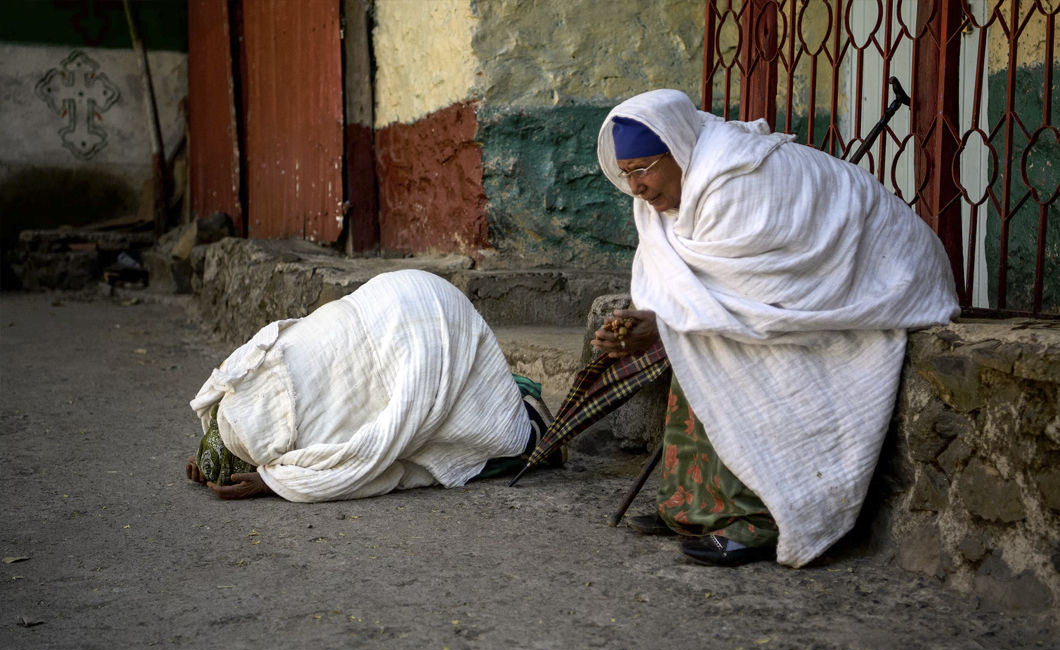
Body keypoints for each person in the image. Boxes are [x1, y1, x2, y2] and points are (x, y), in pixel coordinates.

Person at [591, 89, 959, 567]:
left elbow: (755, 298)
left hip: (884, 277)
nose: (635, 187)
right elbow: (691, 297)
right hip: (805, 288)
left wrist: (667, 324)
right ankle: (698, 506)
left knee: (723, 344)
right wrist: (653, 320)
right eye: (626, 174)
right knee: (696, 339)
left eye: (643, 169)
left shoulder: (739, 180)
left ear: (678, 148)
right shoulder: (670, 195)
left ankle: (760, 518)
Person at [185, 269, 552, 501]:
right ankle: (502, 391)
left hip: (420, 332)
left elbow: (369, 466)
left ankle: (528, 427)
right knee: (436, 404)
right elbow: (222, 390)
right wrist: (212, 449)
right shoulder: (253, 367)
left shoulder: (313, 438)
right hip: (411, 291)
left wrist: (274, 484)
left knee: (424, 454)